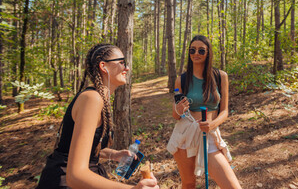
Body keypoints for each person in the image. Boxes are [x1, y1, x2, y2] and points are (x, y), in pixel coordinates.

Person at [37, 43, 159, 189]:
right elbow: (75, 176)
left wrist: (114, 154)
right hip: (62, 181)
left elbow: (84, 148)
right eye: (121, 62)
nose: (126, 68)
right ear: (104, 66)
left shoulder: (99, 98)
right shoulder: (91, 99)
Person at [167, 35, 242, 189]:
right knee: (188, 184)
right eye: (192, 50)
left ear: (208, 53)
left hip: (209, 135)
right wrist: (178, 109)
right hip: (185, 136)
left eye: (201, 50)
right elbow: (176, 115)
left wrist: (212, 124)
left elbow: (225, 111)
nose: (196, 53)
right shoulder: (181, 80)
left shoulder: (220, 76)